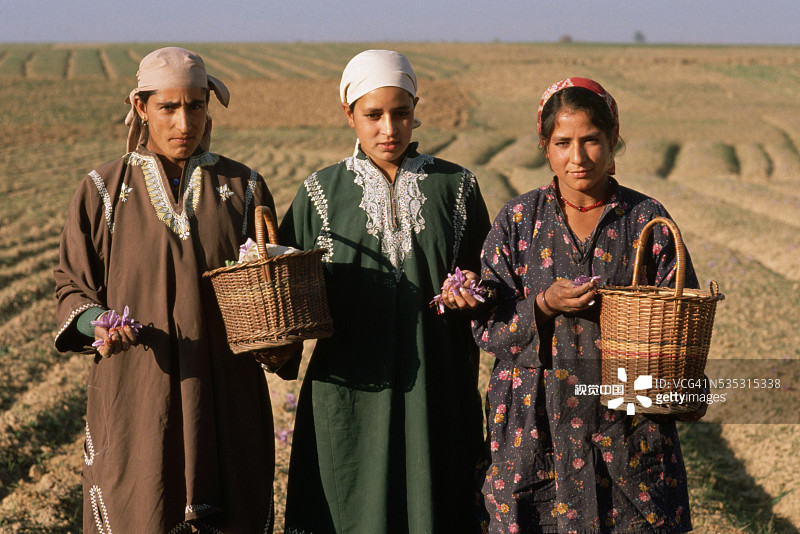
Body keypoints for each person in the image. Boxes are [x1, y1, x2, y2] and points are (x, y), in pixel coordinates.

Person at [54, 47, 279, 533]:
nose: (184, 121)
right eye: (168, 108)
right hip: (136, 390)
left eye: (195, 106)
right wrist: (101, 324)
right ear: (141, 107)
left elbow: (270, 287)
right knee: (141, 505)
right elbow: (72, 285)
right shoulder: (102, 190)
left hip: (225, 390)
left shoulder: (244, 188)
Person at [472, 78, 704, 533]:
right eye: (562, 143)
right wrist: (541, 304)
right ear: (544, 146)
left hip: (625, 430)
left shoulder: (646, 221)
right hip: (533, 429)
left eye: (591, 140)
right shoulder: (519, 221)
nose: (577, 158)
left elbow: (681, 322)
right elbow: (486, 326)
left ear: (613, 139)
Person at [277, 49, 491, 533]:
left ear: (416, 111)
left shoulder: (456, 186)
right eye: (373, 115)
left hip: (438, 382)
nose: (388, 128)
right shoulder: (319, 191)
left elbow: (489, 277)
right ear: (349, 114)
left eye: (401, 113)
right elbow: (284, 290)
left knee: (435, 500)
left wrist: (474, 293)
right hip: (350, 390)